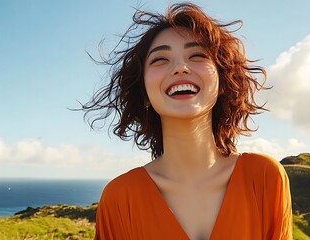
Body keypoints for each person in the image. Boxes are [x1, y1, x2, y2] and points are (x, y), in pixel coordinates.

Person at [82, 2, 292, 240]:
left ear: (223, 82)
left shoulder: (264, 178)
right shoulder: (119, 198)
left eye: (197, 55)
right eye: (160, 59)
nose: (180, 67)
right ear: (144, 92)